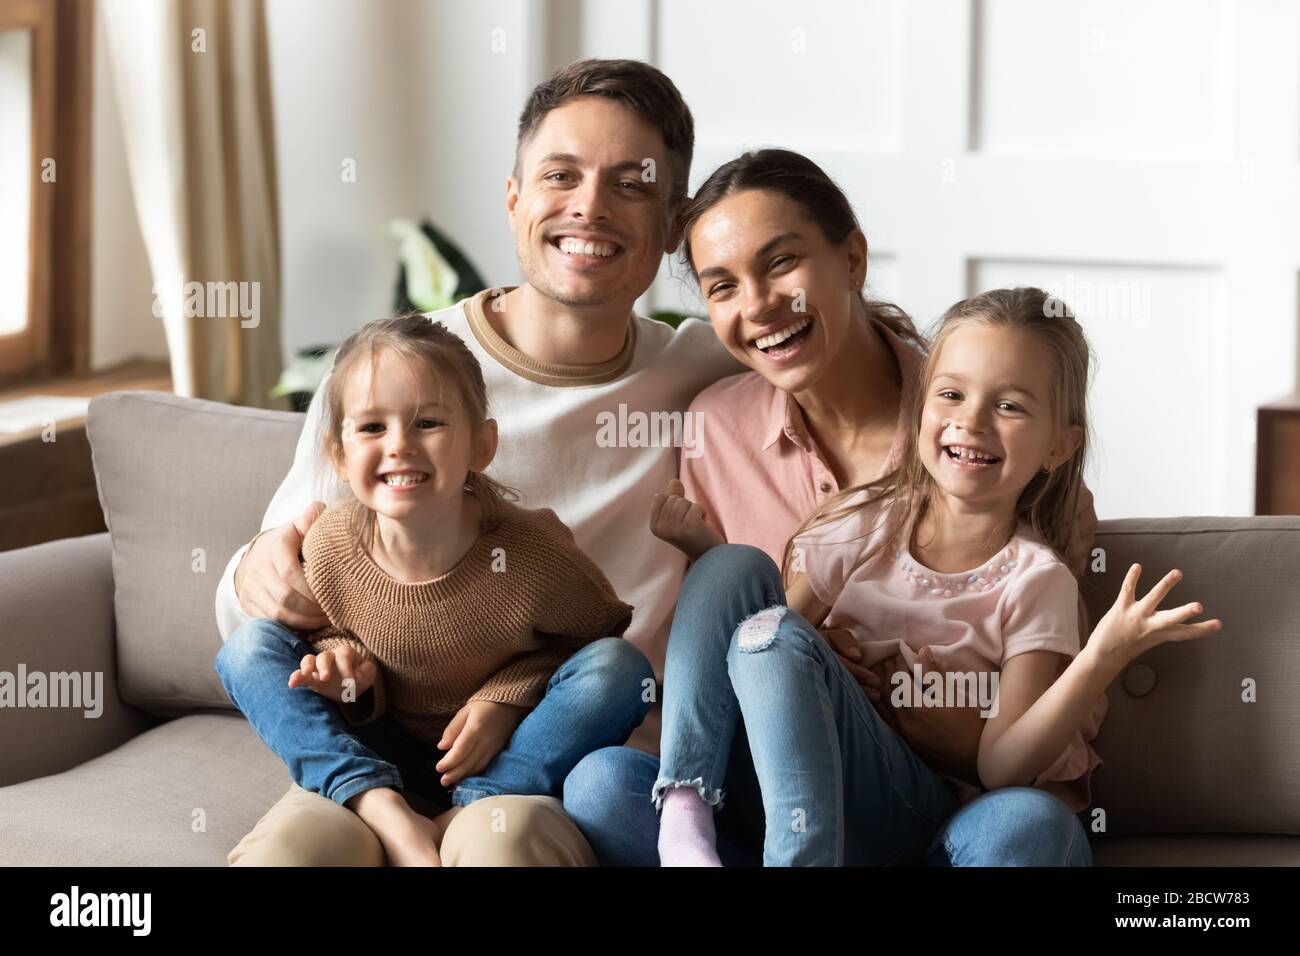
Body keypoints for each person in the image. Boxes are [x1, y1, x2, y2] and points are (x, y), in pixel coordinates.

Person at [214, 59, 742, 866]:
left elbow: (889, 375)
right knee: (291, 857)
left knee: (502, 848)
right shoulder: (395, 372)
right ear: (514, 199)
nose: (588, 208)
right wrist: (255, 569)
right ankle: (387, 810)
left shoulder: (706, 372)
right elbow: (255, 608)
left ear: (674, 226)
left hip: (547, 766)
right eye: (559, 175)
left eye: (629, 185)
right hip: (376, 740)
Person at [564, 149, 1109, 866]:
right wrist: (799, 661)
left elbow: (1060, 722)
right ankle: (698, 823)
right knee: (603, 784)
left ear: (851, 258)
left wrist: (932, 719)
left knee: (1028, 828)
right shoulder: (715, 430)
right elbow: (727, 631)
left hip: (947, 808)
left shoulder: (978, 437)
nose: (758, 305)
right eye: (722, 286)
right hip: (777, 789)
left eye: (781, 263)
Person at [644, 286, 1218, 865]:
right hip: (803, 789)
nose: (972, 421)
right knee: (610, 771)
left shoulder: (1036, 580)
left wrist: (1101, 657)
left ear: (1059, 446)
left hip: (920, 818)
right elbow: (768, 650)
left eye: (1011, 406)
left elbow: (1002, 767)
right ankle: (686, 808)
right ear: (921, 407)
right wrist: (798, 635)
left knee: (1030, 824)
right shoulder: (860, 526)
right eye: (951, 394)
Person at [216, 316, 651, 865]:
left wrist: (506, 700)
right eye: (372, 428)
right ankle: (375, 803)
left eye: (428, 422)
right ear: (340, 457)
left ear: (481, 444)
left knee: (620, 666)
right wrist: (342, 665)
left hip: (497, 759)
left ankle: (458, 815)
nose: (399, 446)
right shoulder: (329, 542)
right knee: (248, 648)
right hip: (375, 747)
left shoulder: (533, 552)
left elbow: (594, 646)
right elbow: (328, 630)